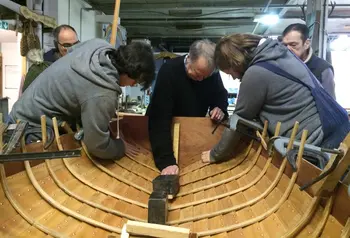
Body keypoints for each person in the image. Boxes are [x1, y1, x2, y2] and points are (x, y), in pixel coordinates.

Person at [202, 33, 349, 164]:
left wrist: (215, 154)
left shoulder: (256, 73)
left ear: (235, 62)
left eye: (229, 72)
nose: (233, 77)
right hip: (339, 125)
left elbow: (238, 121)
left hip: (319, 142)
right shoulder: (281, 53)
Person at [9, 38, 156, 160]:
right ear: (128, 73)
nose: (134, 85)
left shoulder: (98, 46)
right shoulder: (103, 94)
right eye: (136, 81)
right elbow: (97, 146)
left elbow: (72, 53)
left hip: (23, 107)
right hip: (31, 126)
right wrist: (120, 147)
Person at [146, 39, 229, 175]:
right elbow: (159, 119)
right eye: (197, 74)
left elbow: (220, 95)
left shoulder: (211, 74)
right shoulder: (169, 71)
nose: (201, 80)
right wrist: (166, 161)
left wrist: (219, 108)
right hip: (166, 134)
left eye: (205, 76)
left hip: (192, 133)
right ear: (189, 58)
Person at [282, 23, 336, 99]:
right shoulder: (280, 65)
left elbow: (330, 103)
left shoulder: (322, 69)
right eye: (285, 45)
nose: (288, 49)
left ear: (306, 43)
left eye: (293, 45)